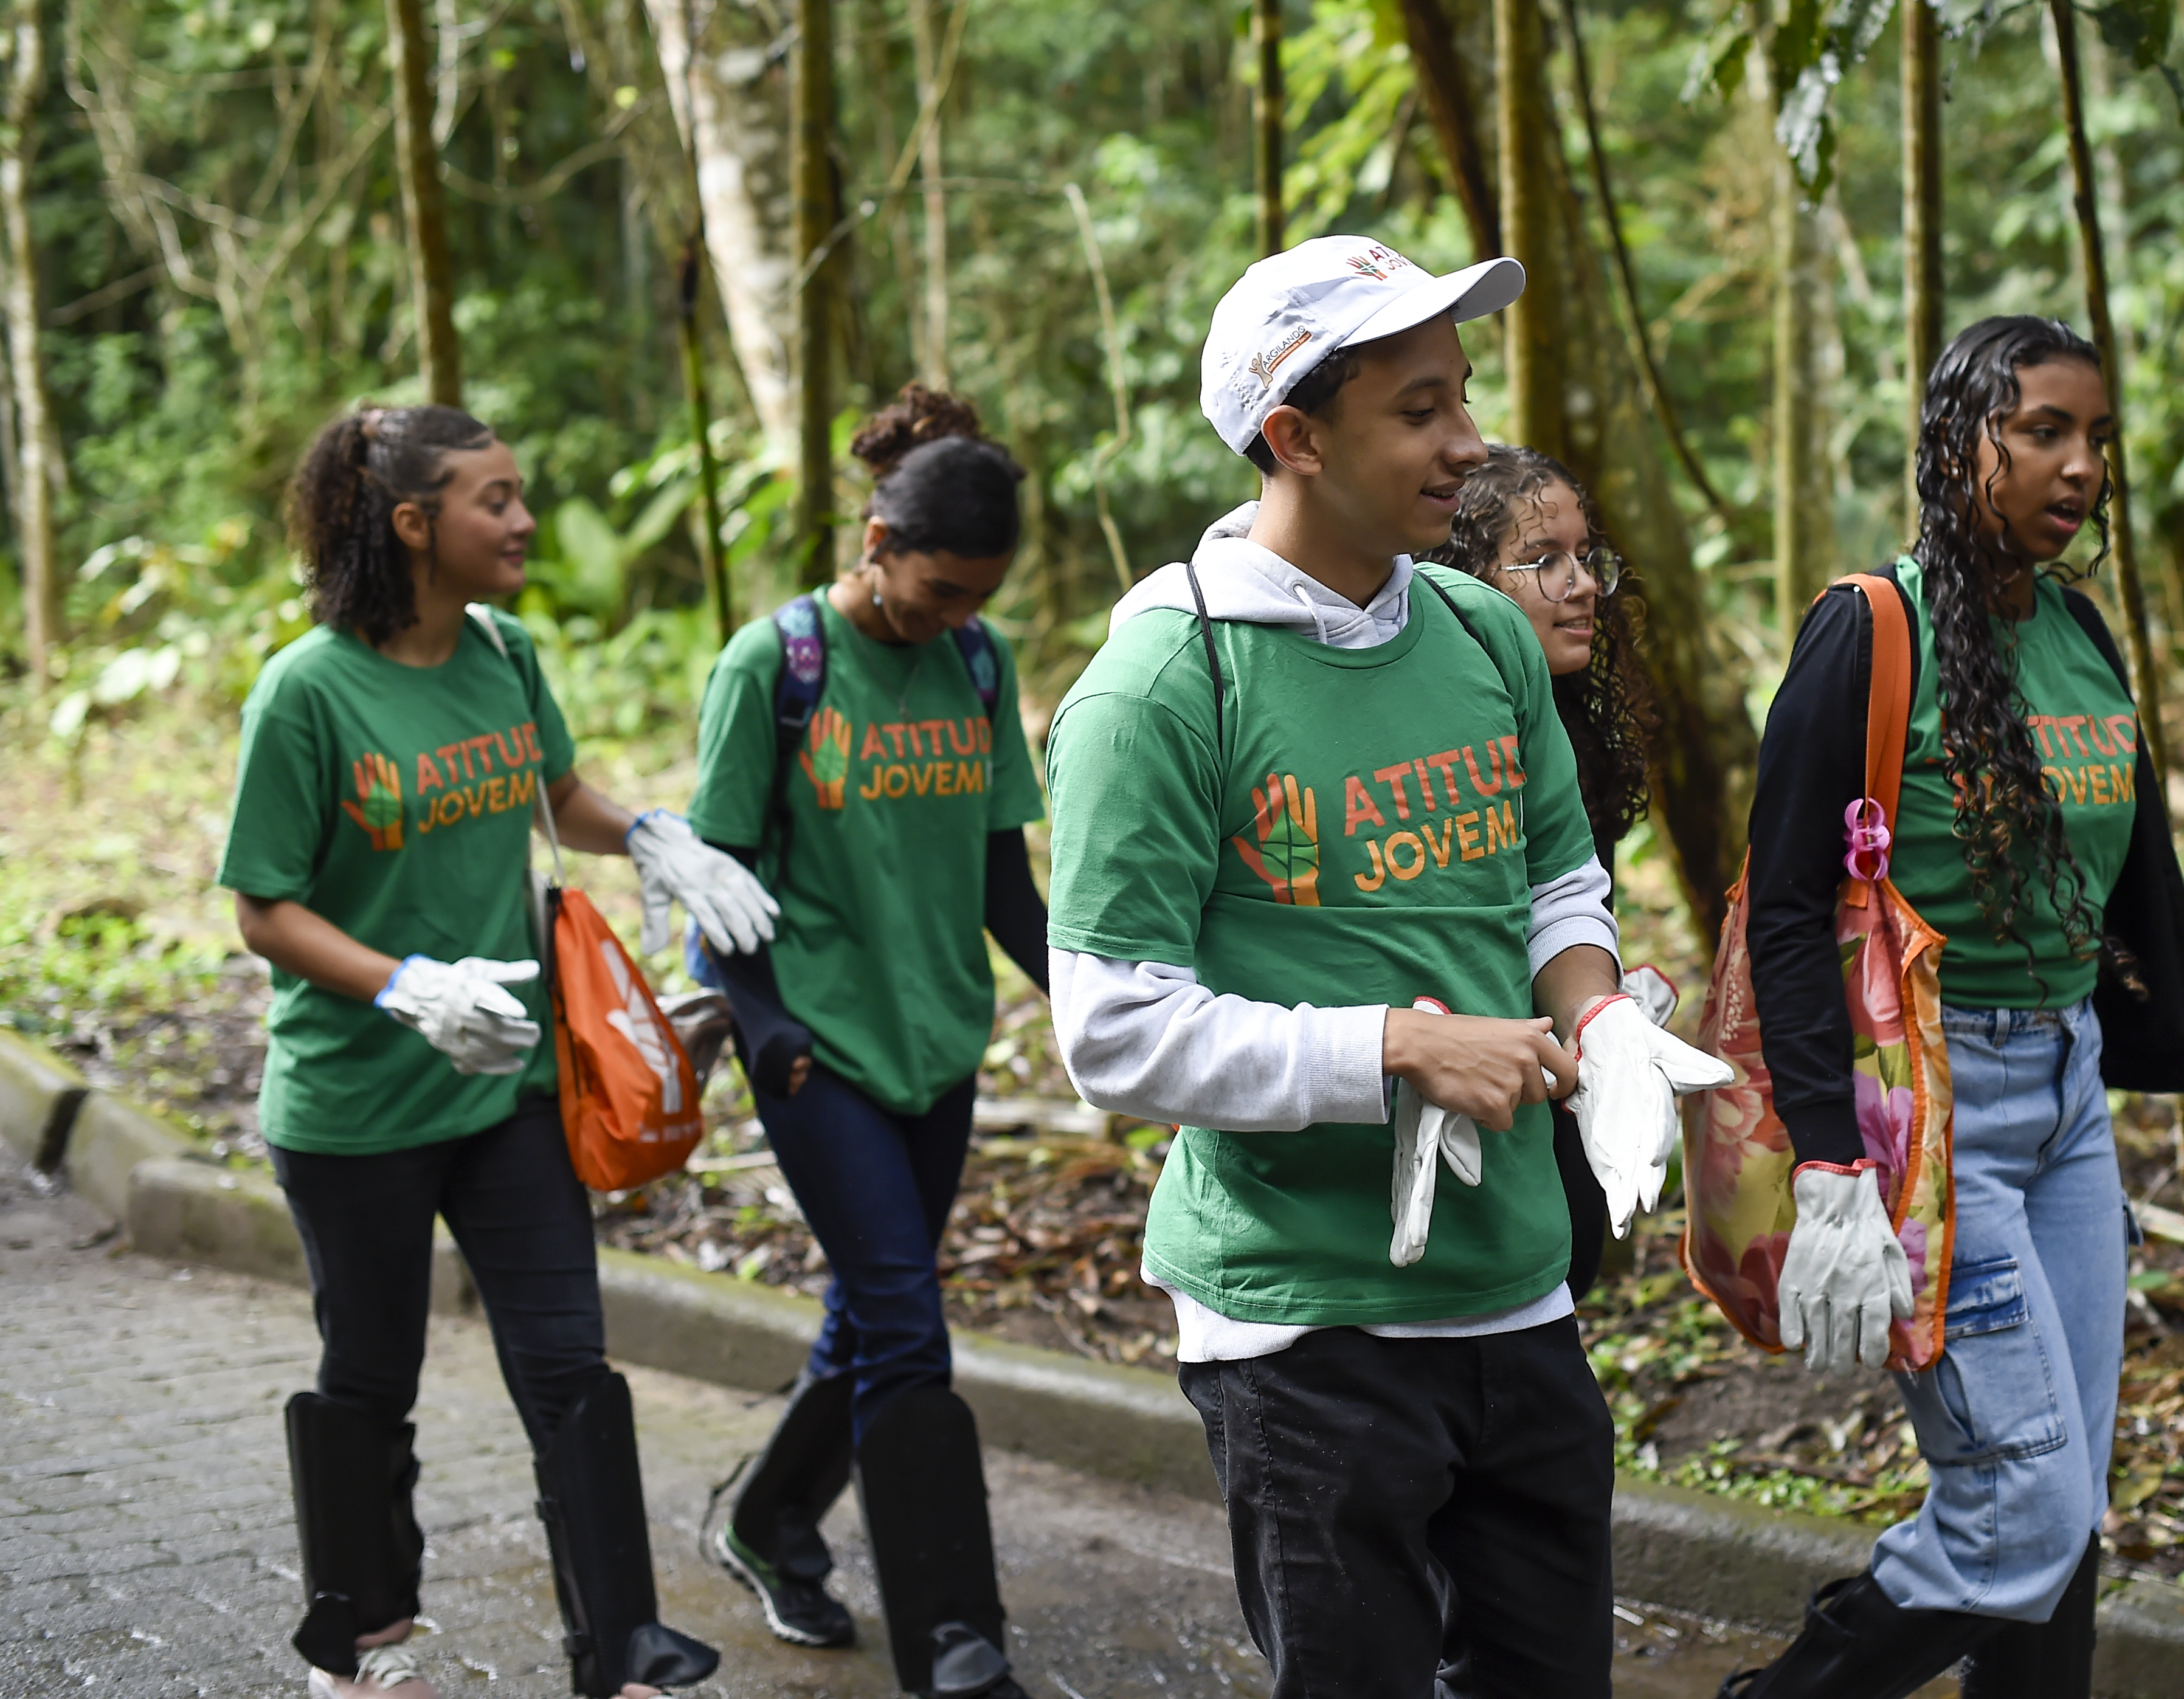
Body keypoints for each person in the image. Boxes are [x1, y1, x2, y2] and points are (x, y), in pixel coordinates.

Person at [1042, 236, 1729, 1698]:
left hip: (1521, 1297)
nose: (1467, 445)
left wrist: (1598, 1019)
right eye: (1420, 411)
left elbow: (1553, 875)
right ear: (1293, 436)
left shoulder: (1481, 631)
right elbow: (1108, 1030)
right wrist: (1398, 1051)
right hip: (1304, 1323)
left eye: (1463, 397)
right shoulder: (1168, 683)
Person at [1723, 317, 2184, 1699]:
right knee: (2026, 1507)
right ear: (1964, 445)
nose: (2081, 468)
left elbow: (2141, 900)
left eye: (2098, 441)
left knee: (2066, 1504)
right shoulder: (1866, 635)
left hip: (2065, 1104)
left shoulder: (2076, 631)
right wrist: (1830, 1161)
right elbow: (1783, 914)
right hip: (1936, 1119)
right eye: (2046, 431)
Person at [221, 405, 761, 1699]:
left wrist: (647, 836)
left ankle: (623, 1641)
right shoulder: (308, 691)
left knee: (569, 1363)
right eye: (495, 500)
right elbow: (263, 905)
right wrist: (404, 984)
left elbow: (551, 792)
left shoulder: (505, 653)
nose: (523, 522)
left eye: (522, 496)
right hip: (358, 1103)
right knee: (370, 1375)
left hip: (511, 1085)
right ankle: (356, 1628)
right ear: (414, 526)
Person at [686, 386, 1050, 1699]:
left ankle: (768, 1516)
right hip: (816, 1050)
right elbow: (708, 881)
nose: (959, 615)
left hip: (938, 1044)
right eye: (942, 588)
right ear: (879, 539)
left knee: (867, 1309)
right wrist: (767, 1028)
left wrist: (1094, 997)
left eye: (980, 595)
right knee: (907, 1327)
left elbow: (1003, 875)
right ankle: (956, 1636)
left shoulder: (975, 658)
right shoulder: (772, 666)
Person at [1432, 445, 1663, 1300]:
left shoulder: (1576, 722)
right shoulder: (1442, 731)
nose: (1584, 583)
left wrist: (1609, 1001)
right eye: (1542, 561)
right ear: (1466, 582)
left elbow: (1566, 900)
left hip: (1560, 1082)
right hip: (1462, 1086)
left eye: (1584, 556)